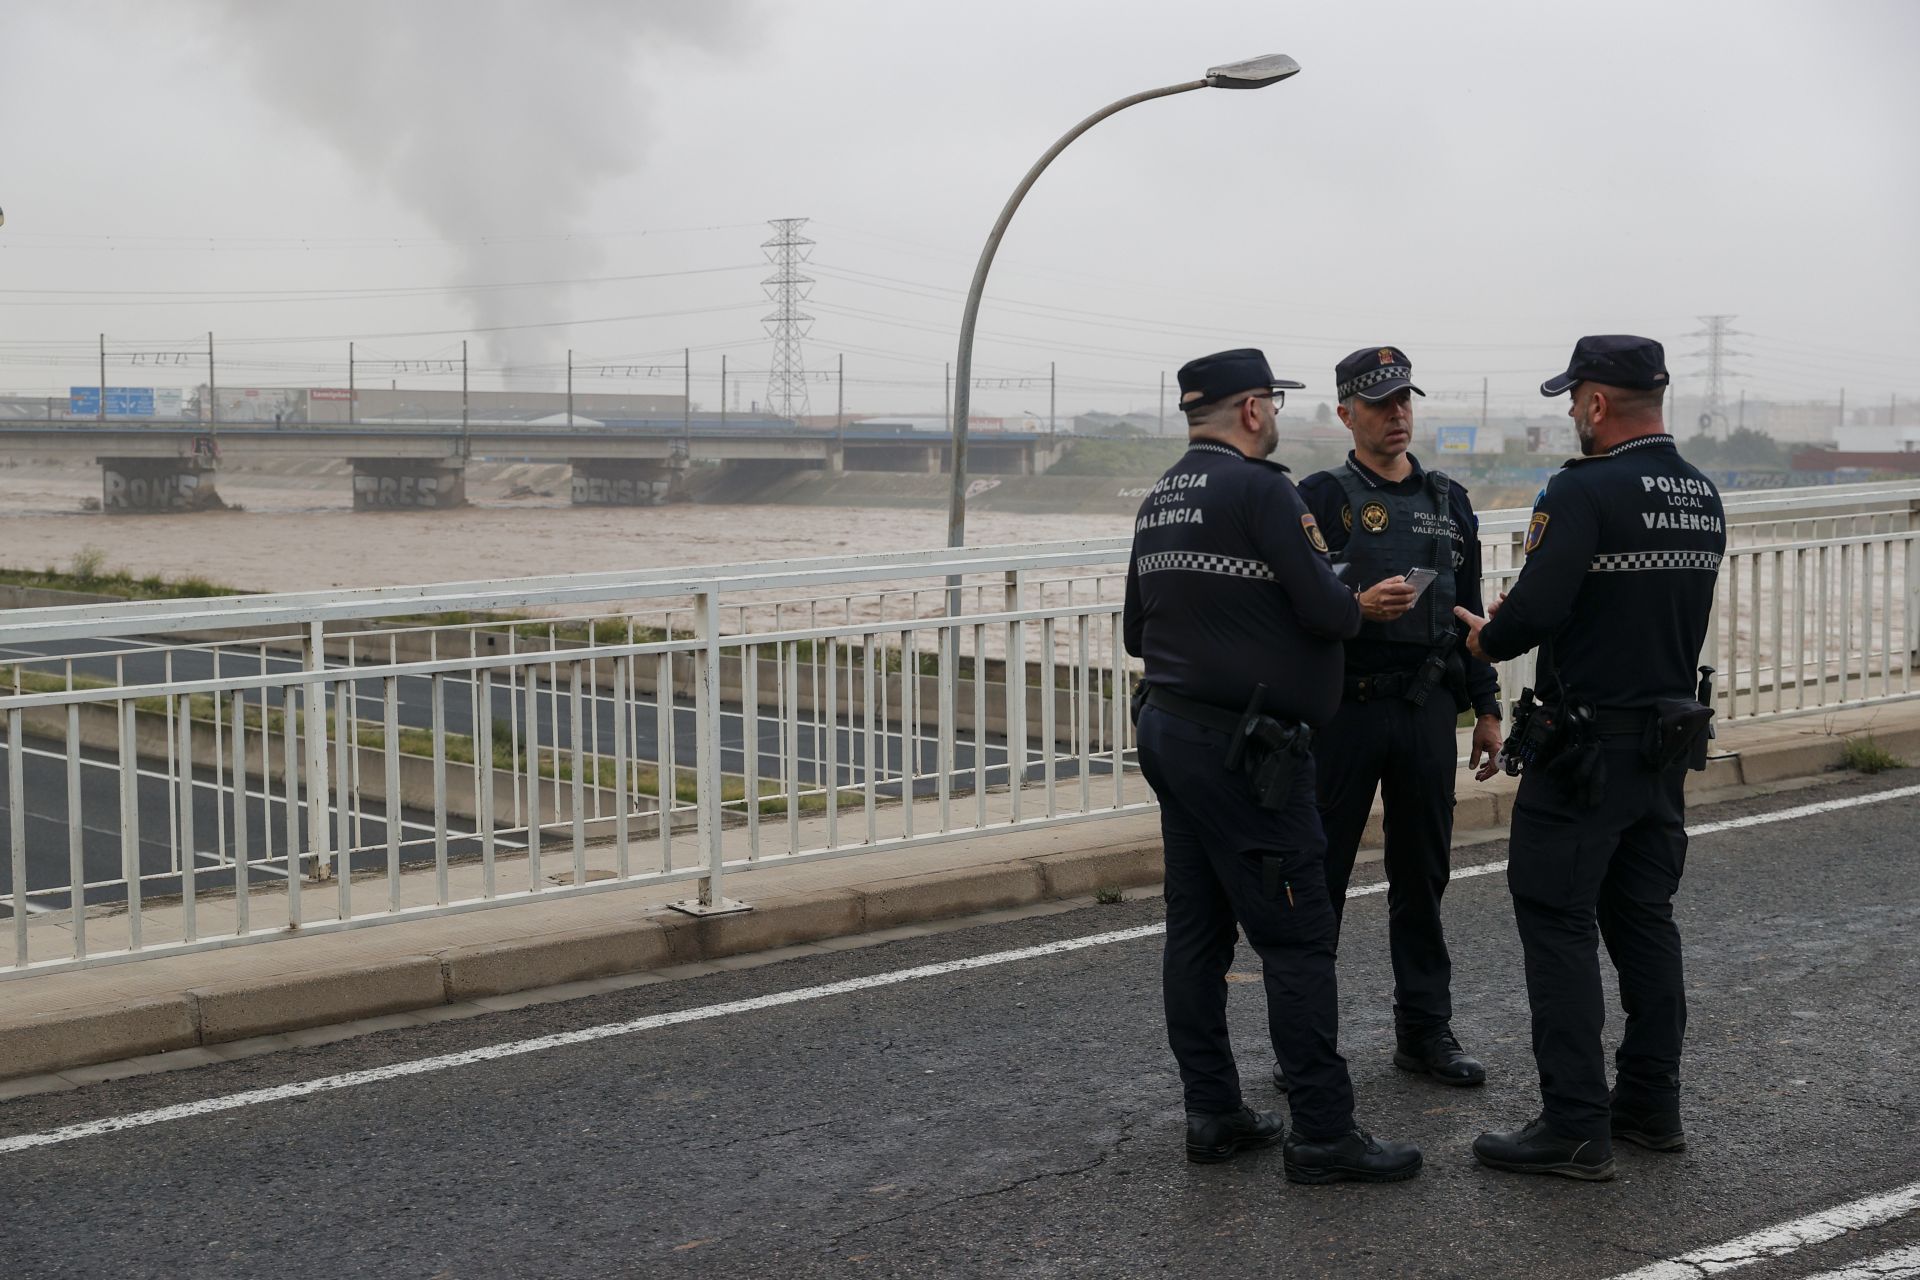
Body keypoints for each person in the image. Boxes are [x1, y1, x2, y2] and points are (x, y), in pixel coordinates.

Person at [1123, 347, 1422, 1183]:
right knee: (1295, 939)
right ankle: (1324, 1134)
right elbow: (1328, 609)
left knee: (1197, 932)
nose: (1276, 418)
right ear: (1252, 410)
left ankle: (1213, 1112)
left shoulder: (1160, 498)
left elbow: (1135, 636)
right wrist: (1349, 603)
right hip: (1246, 753)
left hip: (1173, 735)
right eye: (1273, 405)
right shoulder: (1264, 490)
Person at [1453, 335, 1725, 1181]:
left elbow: (1534, 613)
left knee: (1558, 919)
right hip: (1667, 742)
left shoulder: (1582, 490)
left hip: (1586, 751)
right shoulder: (1701, 494)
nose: (1572, 413)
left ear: (1598, 404)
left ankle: (1573, 1124)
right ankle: (1649, 1106)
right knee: (1644, 920)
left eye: (1574, 400)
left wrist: (1488, 635)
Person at [1292, 346, 1503, 1093]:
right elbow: (1292, 610)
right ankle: (1307, 1047)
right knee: (1320, 880)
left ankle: (1425, 1032)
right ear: (1346, 413)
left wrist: (1487, 707)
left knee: (1424, 877)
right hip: (1343, 714)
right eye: (1380, 404)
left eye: (1405, 400)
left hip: (1424, 709)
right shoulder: (1320, 496)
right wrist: (1353, 609)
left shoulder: (1450, 502)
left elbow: (1470, 612)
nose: (1397, 414)